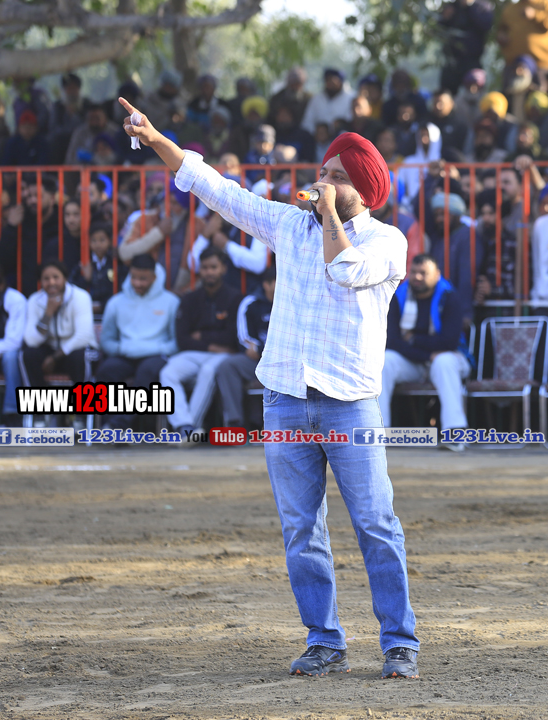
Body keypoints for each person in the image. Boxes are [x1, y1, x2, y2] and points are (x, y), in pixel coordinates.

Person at [122, 96, 420, 679]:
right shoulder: (288, 224)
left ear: (362, 191)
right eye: (322, 172)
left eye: (337, 177)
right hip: (283, 398)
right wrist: (156, 139)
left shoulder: (387, 241)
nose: (322, 182)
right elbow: (218, 190)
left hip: (349, 403)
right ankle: (324, 641)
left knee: (376, 524)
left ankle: (399, 643)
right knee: (301, 529)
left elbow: (345, 269)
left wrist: (328, 214)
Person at [381, 254, 473, 447]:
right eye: (414, 272)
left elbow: (448, 342)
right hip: (416, 361)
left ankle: (455, 433)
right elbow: (392, 342)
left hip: (451, 358)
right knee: (386, 360)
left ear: (437, 274)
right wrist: (427, 354)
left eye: (423, 273)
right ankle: (379, 433)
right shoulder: (398, 296)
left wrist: (413, 339)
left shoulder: (449, 296)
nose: (417, 277)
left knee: (444, 361)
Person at [159, 248, 242, 436]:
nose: (209, 272)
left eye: (213, 267)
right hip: (199, 353)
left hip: (225, 357)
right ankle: (184, 424)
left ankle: (188, 427)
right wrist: (212, 344)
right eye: (205, 268)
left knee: (208, 371)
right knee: (168, 372)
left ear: (223, 269)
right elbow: (182, 339)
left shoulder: (235, 298)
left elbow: (233, 337)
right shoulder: (190, 299)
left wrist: (202, 336)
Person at [94, 256, 179, 431]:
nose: (137, 283)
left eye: (143, 278)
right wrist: (121, 348)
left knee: (147, 372)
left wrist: (155, 349)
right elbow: (106, 341)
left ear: (154, 277)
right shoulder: (116, 302)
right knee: (106, 370)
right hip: (124, 353)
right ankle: (109, 425)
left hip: (156, 355)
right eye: (133, 277)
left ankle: (119, 425)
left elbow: (176, 343)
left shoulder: (171, 302)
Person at [214, 265, 275, 430]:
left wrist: (261, 349)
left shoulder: (292, 302)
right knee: (228, 366)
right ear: (266, 284)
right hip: (258, 362)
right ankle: (235, 424)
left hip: (286, 360)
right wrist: (263, 350)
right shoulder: (250, 303)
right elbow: (245, 340)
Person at [19, 260, 95, 387]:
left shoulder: (80, 297)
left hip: (72, 350)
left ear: (65, 278)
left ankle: (83, 398)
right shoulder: (34, 300)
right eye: (46, 279)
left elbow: (83, 336)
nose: (51, 283)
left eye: (56, 277)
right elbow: (31, 340)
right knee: (28, 355)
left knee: (80, 357)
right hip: (49, 350)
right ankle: (38, 399)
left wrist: (55, 357)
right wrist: (48, 313)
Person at [0, 261, 26, 425]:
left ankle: (12, 415)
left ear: (1, 284)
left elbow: (14, 342)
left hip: (9, 358)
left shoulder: (15, 300)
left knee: (11, 357)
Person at [495, 0, 548, 80]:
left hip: (540, 66)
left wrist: (535, 15)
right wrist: (501, 36)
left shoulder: (546, 4)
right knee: (511, 88)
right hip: (513, 66)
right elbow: (502, 29)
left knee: (539, 88)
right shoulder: (510, 9)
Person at [438, 0, 494, 94]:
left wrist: (470, 6)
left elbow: (486, 25)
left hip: (472, 62)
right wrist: (445, 17)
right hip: (452, 62)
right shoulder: (453, 6)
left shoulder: (482, 7)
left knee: (473, 95)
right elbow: (439, 28)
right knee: (446, 94)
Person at [68, 223, 116, 314]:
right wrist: (85, 279)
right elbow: (72, 287)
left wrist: (102, 305)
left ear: (110, 241)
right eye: (94, 240)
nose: (98, 244)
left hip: (110, 309)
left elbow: (118, 288)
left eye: (102, 240)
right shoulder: (84, 263)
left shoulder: (114, 263)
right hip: (85, 309)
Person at [301, 69, 353, 134]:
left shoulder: (351, 98)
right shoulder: (316, 99)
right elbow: (307, 122)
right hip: (317, 138)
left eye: (333, 80)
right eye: (328, 80)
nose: (330, 83)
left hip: (342, 137)